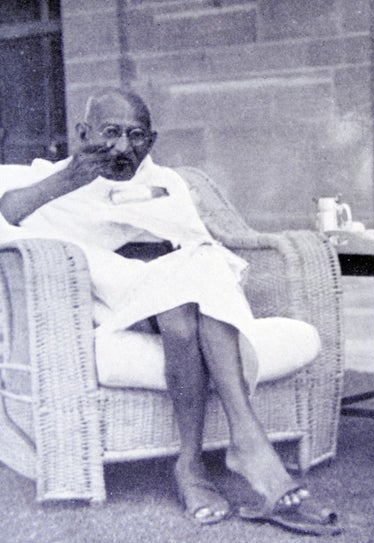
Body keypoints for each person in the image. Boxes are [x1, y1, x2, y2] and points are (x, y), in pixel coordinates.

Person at [0, 88, 341, 536]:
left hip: (177, 295)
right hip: (108, 297)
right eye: (110, 134)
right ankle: (247, 444)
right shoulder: (50, 180)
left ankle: (192, 465)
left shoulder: (166, 182)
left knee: (193, 283)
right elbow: (7, 215)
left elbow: (197, 242)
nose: (124, 148)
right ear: (83, 133)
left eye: (137, 136)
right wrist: (69, 180)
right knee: (188, 284)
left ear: (152, 140)